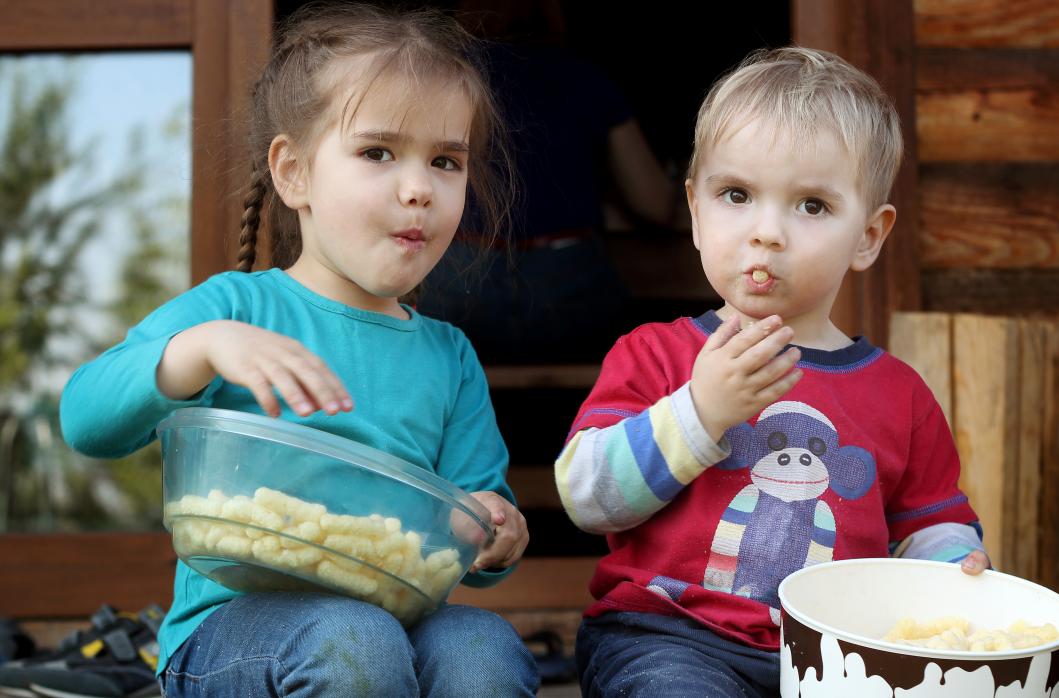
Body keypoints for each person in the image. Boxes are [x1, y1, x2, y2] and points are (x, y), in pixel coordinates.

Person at [59, 3, 537, 696]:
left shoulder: (447, 356)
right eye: (378, 152)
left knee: (481, 646)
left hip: (393, 625)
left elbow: (472, 510)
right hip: (229, 636)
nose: (417, 189)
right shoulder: (234, 311)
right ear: (294, 173)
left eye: (445, 161)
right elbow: (85, 416)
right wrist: (199, 350)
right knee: (351, 638)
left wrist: (494, 531)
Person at [553, 46, 991, 697]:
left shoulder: (898, 395)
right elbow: (587, 498)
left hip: (838, 657)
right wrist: (698, 413)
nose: (766, 232)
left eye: (810, 206)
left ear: (868, 236)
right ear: (695, 211)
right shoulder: (654, 355)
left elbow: (927, 525)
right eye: (736, 195)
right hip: (669, 638)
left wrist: (955, 567)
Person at [417, 0, 686, 364]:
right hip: (567, 293)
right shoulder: (581, 76)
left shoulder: (437, 79)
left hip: (458, 289)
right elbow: (653, 203)